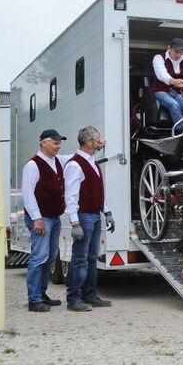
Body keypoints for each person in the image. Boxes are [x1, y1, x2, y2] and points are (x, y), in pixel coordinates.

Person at [64, 126, 115, 312]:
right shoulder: (75, 164)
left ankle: (90, 294)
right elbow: (71, 196)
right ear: (88, 142)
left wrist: (107, 211)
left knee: (92, 257)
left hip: (94, 215)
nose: (99, 143)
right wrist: (75, 222)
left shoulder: (91, 161)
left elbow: (99, 193)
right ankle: (74, 298)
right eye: (96, 140)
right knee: (80, 258)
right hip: (84, 217)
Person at [22, 129, 70, 312]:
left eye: (59, 143)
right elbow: (28, 194)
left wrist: (94, 146)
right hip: (41, 218)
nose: (58, 146)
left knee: (49, 257)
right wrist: (37, 218)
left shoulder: (57, 161)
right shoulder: (33, 165)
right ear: (43, 143)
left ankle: (41, 294)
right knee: (39, 257)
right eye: (55, 143)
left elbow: (76, 156)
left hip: (53, 217)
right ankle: (34, 299)